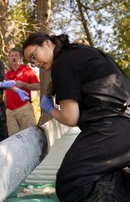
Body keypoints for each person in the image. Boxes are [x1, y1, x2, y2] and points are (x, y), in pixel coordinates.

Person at [22, 32, 130, 202]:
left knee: (72, 183)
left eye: (33, 56)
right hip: (121, 124)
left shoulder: (63, 63)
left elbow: (70, 117)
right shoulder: (82, 52)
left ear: (47, 43)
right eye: (31, 62)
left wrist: (50, 109)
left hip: (111, 125)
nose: (35, 63)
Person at [5, 47, 40, 136]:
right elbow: (6, 94)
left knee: (30, 136)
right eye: (11, 56)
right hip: (10, 112)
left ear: (20, 58)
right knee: (13, 140)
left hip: (24, 107)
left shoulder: (27, 70)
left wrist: (24, 85)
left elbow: (38, 86)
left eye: (16, 55)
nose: (14, 57)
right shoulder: (7, 74)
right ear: (9, 58)